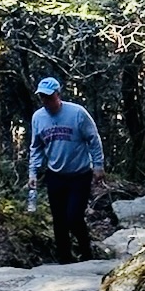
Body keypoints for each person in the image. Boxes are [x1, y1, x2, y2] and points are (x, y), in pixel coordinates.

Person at [27, 76, 105, 264]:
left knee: (74, 217)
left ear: (58, 94)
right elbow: (36, 147)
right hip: (56, 174)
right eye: (42, 97)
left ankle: (87, 254)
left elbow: (93, 139)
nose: (45, 101)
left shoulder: (77, 113)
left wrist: (98, 166)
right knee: (59, 220)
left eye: (49, 96)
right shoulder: (38, 117)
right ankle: (65, 259)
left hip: (80, 174)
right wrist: (33, 172)